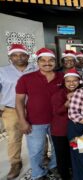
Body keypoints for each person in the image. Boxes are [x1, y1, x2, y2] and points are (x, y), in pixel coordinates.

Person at [15, 48, 63, 180]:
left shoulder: (62, 77)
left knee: (57, 147)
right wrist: (22, 121)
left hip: (58, 120)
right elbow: (19, 101)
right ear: (38, 62)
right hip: (35, 121)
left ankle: (54, 166)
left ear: (55, 62)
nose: (47, 63)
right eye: (43, 60)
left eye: (51, 60)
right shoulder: (26, 78)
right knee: (36, 150)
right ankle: (38, 174)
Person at [0, 44, 36, 179]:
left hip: (34, 108)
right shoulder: (2, 71)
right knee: (14, 138)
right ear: (10, 57)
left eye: (22, 55)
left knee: (38, 135)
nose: (19, 58)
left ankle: (43, 157)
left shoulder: (36, 69)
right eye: (15, 55)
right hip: (11, 110)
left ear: (27, 56)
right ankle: (15, 164)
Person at [51, 68, 81, 180]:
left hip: (75, 129)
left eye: (74, 81)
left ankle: (76, 174)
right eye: (68, 81)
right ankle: (65, 176)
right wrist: (66, 104)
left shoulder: (82, 92)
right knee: (62, 155)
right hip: (60, 130)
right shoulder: (58, 94)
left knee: (73, 153)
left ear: (79, 81)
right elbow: (57, 112)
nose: (72, 83)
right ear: (64, 82)